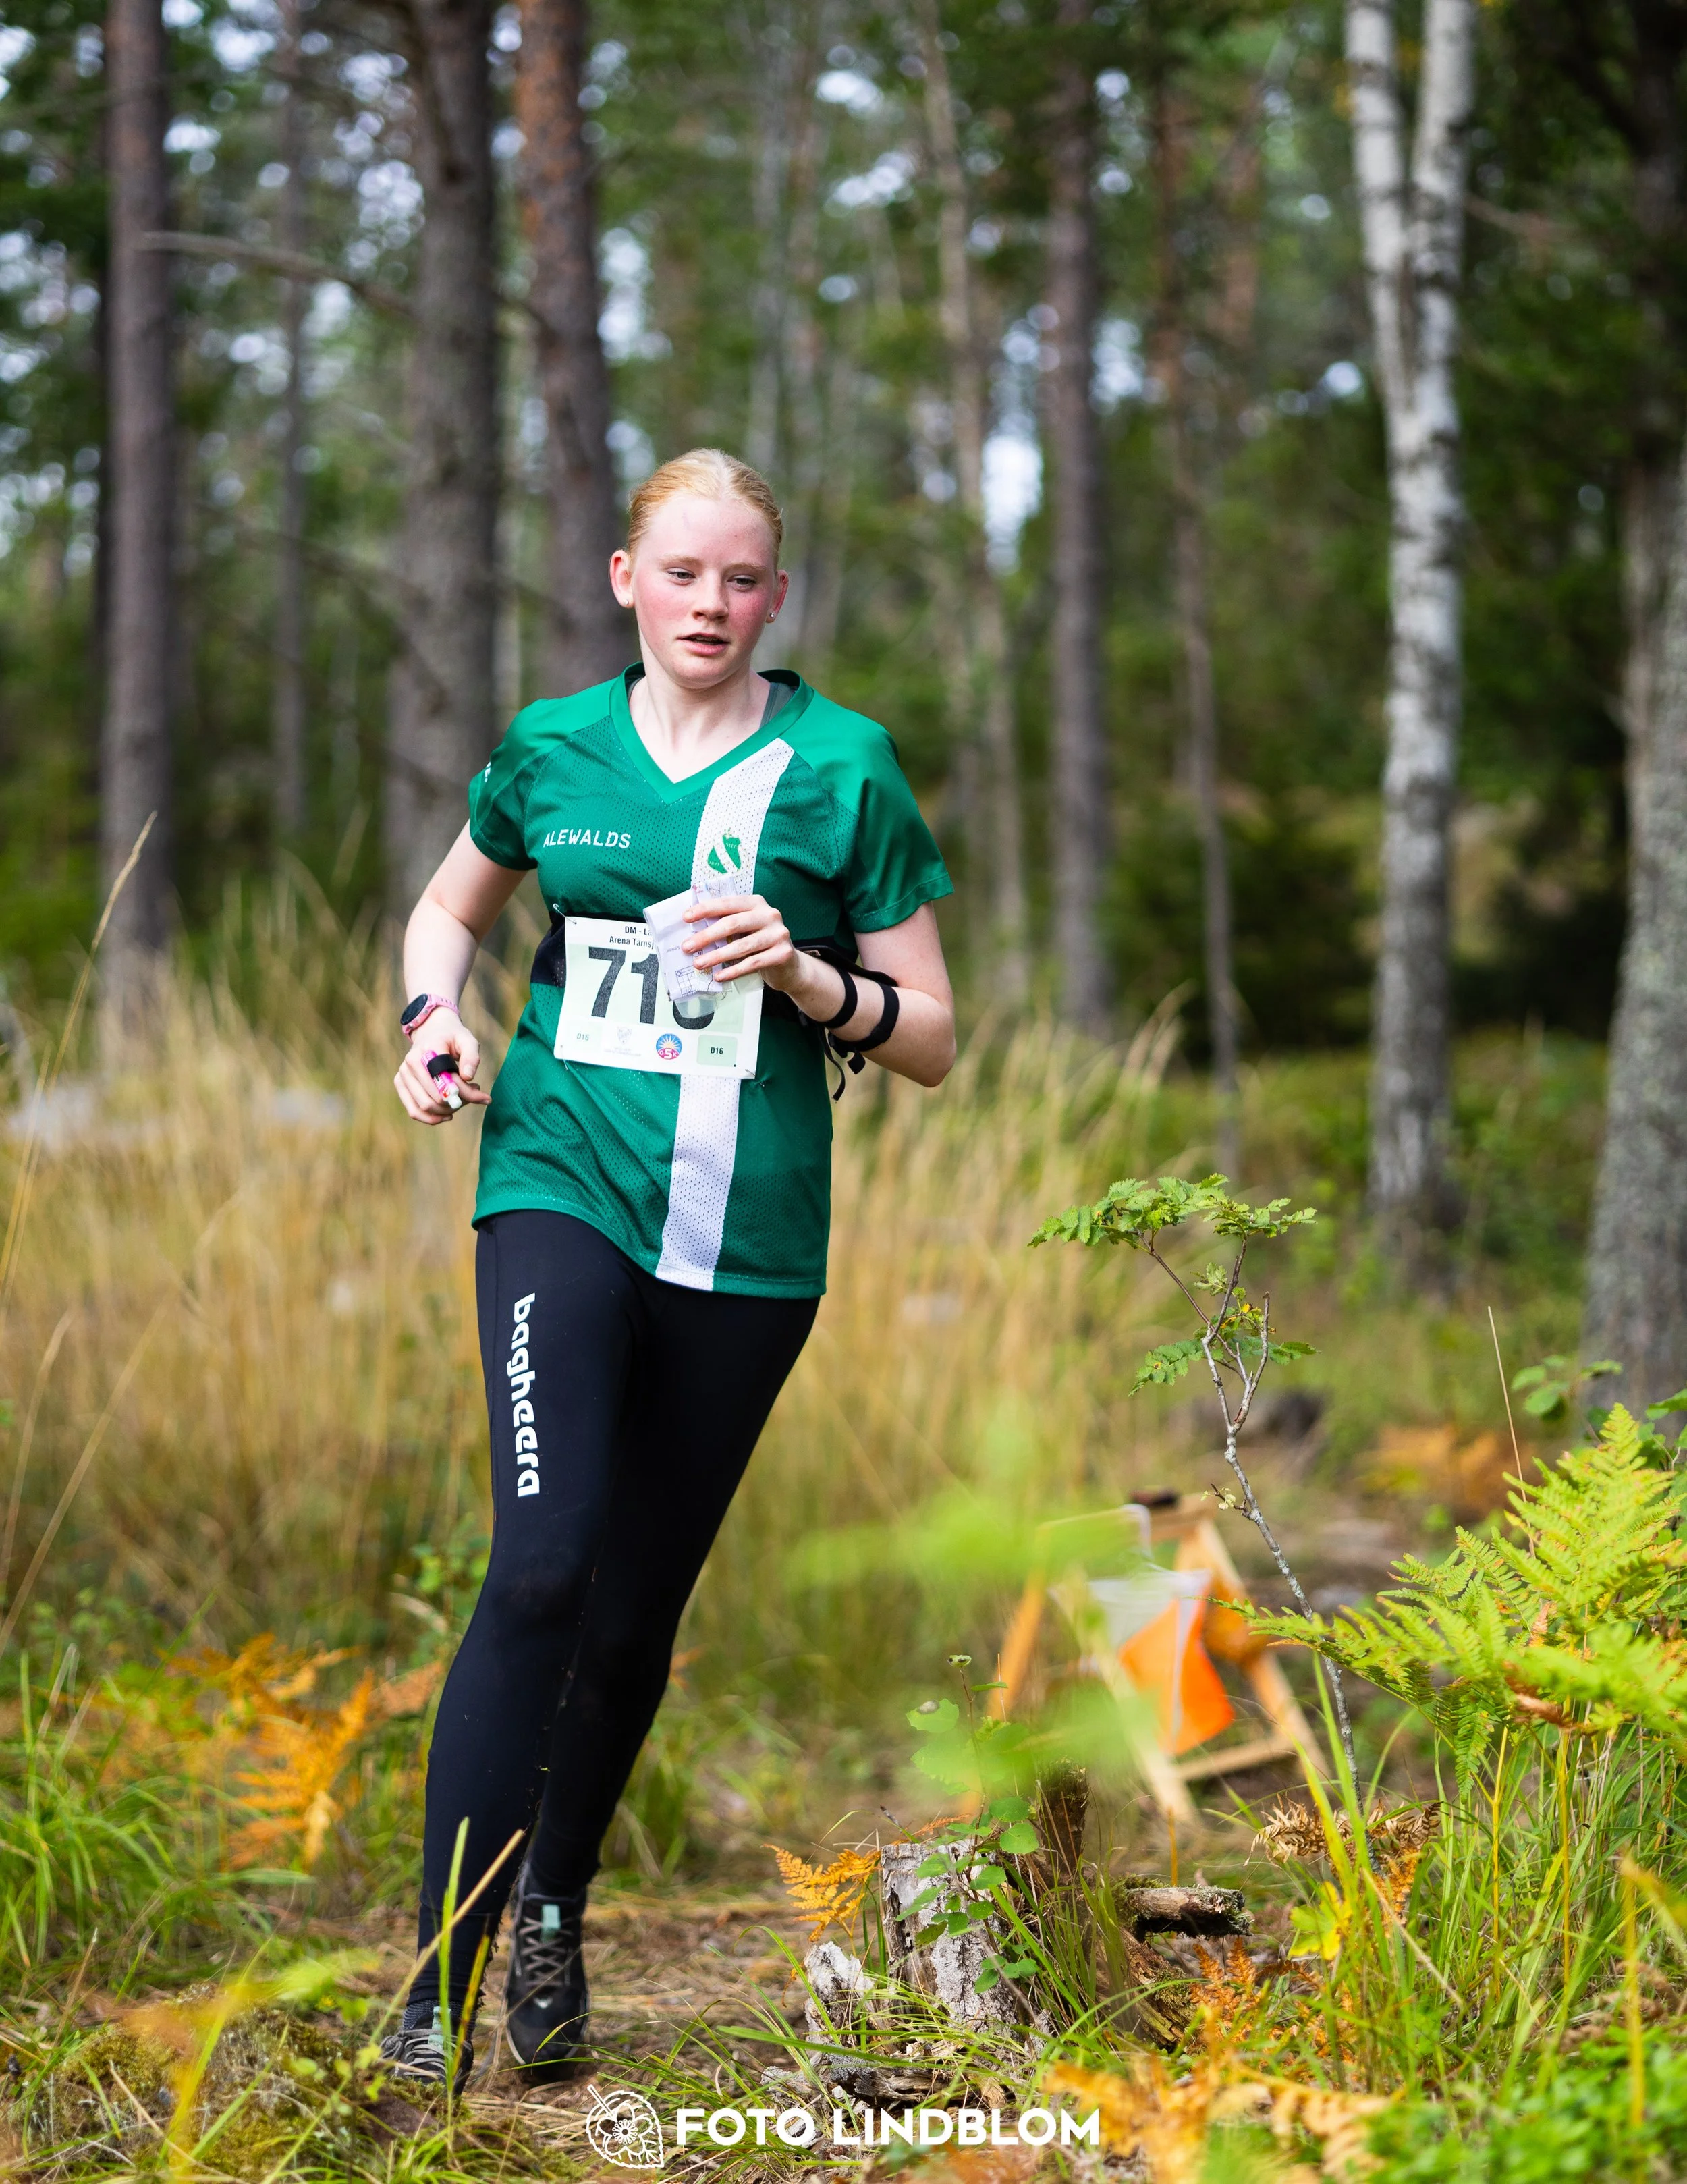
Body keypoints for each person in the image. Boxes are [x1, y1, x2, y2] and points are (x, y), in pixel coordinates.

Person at [381, 447, 956, 2085]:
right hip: (556, 1178)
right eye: (683, 573)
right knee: (540, 1568)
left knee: (634, 1604)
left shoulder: (841, 767)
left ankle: (552, 1907)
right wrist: (430, 1021)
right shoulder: (553, 744)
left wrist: (809, 976)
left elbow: (931, 1036)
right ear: (626, 578)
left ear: (775, 597)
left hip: (746, 1235)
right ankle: (429, 1987)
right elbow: (447, 911)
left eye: (742, 578)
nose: (710, 604)